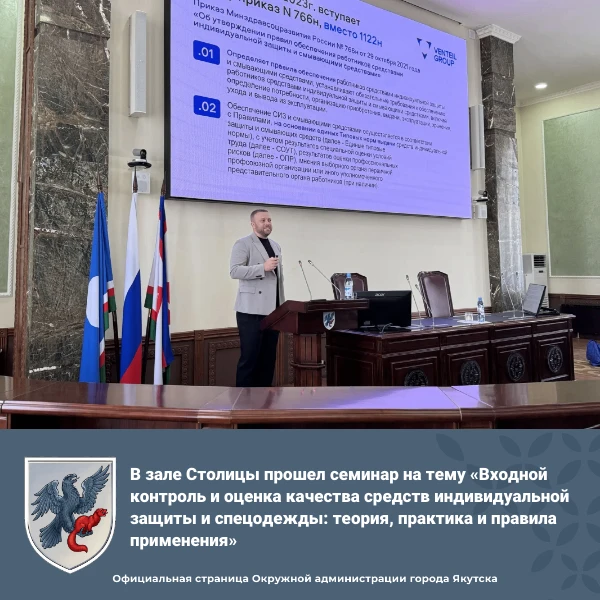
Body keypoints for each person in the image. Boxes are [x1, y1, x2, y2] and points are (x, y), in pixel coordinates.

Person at [230, 209, 285, 387]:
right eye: (263, 220)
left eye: (269, 220)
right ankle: (243, 400)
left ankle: (264, 400)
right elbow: (234, 271)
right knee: (249, 360)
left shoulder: (276, 246)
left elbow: (277, 281)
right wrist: (262, 268)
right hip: (251, 311)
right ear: (253, 224)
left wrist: (282, 307)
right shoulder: (243, 243)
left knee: (268, 361)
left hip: (273, 312)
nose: (267, 223)